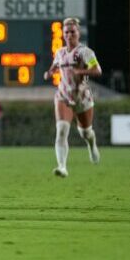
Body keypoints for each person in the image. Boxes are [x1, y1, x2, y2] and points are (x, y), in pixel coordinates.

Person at [44, 17, 102, 177]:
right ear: (63, 34)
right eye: (66, 32)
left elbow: (97, 70)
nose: (69, 35)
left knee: (85, 133)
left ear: (78, 33)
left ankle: (92, 144)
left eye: (73, 32)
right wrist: (49, 73)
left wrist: (81, 71)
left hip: (82, 97)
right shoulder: (60, 52)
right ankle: (62, 167)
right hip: (63, 95)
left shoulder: (85, 52)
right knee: (61, 130)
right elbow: (55, 67)